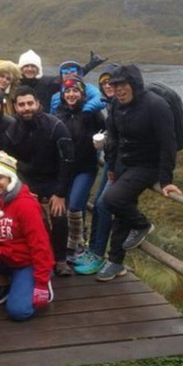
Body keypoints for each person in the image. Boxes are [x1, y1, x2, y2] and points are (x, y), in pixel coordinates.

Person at [97, 64, 181, 282]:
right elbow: (113, 136)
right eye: (115, 86)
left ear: (134, 84)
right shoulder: (116, 104)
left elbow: (168, 144)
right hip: (125, 163)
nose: (119, 90)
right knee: (119, 206)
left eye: (123, 85)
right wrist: (113, 167)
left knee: (113, 199)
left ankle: (142, 224)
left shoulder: (156, 106)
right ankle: (115, 262)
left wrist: (165, 180)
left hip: (148, 165)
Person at [0, 151, 54, 321]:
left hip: (26, 263)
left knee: (18, 312)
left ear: (10, 179)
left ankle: (38, 282)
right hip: (4, 259)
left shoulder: (26, 205)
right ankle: (5, 283)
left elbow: (41, 245)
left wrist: (41, 283)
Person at [5, 86, 75, 276]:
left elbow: (68, 160)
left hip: (54, 179)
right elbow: (11, 164)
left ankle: (60, 260)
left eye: (30, 103)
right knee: (29, 218)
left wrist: (60, 193)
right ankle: (33, 256)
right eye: (22, 105)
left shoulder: (55, 126)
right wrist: (23, 189)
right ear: (15, 107)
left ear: (38, 103)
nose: (26, 108)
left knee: (59, 216)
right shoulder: (12, 130)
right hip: (28, 181)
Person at [0, 50, 108, 112]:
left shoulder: (47, 82)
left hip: (43, 124)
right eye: (26, 66)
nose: (29, 69)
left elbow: (69, 80)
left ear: (37, 69)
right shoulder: (15, 83)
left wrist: (89, 66)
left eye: (33, 67)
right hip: (20, 124)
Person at [54, 75, 105, 262]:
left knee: (75, 205)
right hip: (64, 170)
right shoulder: (58, 115)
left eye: (75, 90)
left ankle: (74, 245)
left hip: (86, 167)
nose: (71, 94)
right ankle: (73, 243)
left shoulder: (92, 114)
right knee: (67, 207)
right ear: (62, 94)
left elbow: (107, 131)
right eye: (67, 91)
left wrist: (102, 142)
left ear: (82, 94)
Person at [75, 64, 119, 275]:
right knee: (100, 204)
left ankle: (99, 256)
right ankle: (93, 251)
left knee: (102, 205)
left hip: (120, 166)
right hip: (111, 163)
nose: (107, 86)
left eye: (110, 81)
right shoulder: (111, 105)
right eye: (103, 83)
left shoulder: (123, 106)